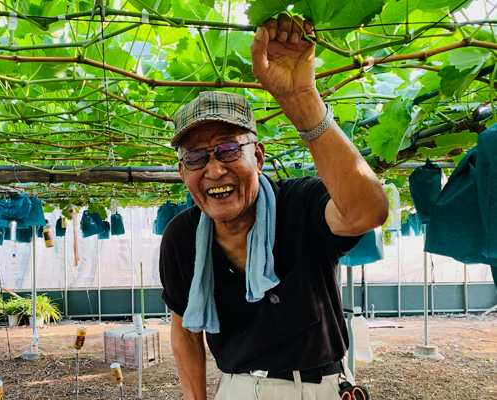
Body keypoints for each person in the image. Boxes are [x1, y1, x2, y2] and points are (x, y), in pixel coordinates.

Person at [159, 15, 389, 400]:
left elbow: (368, 213)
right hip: (238, 389)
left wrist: (303, 101)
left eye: (230, 149)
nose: (215, 169)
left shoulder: (300, 204)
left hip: (321, 388)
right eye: (196, 157)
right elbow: (184, 330)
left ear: (259, 157)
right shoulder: (182, 236)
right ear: (184, 173)